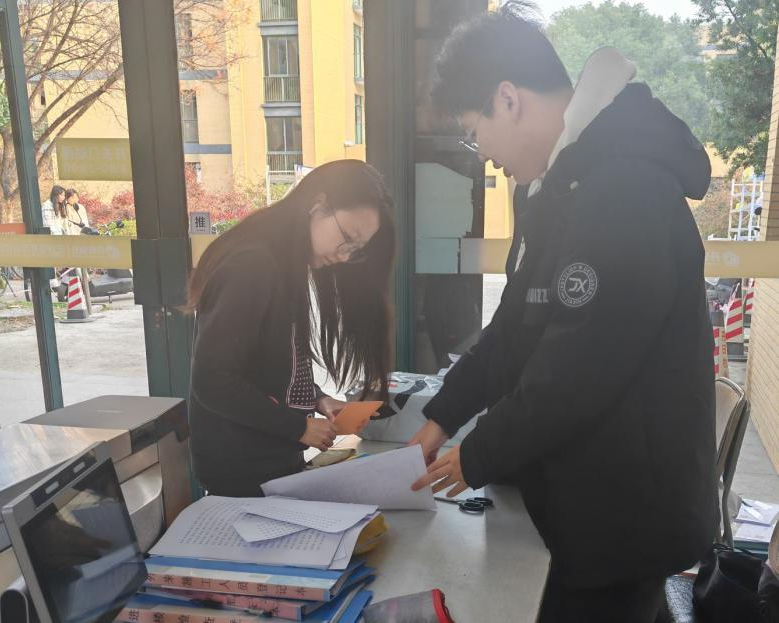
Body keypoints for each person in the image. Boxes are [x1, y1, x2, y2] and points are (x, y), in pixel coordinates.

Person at [409, 4, 717, 622]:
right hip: (587, 498)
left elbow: (580, 365)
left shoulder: (624, 187)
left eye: (473, 131)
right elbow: (513, 329)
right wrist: (440, 418)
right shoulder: (560, 186)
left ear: (507, 99)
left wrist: (479, 454)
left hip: (624, 514)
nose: (481, 154)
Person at [187, 160, 396, 497]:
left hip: (270, 461)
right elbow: (213, 380)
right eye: (347, 238)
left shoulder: (286, 264)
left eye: (356, 250)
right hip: (240, 470)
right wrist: (297, 427)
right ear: (318, 204)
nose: (345, 256)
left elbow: (272, 363)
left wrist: (318, 399)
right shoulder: (252, 264)